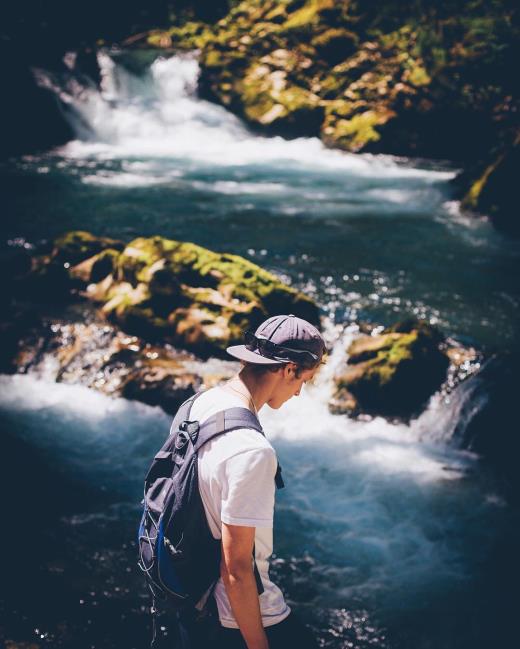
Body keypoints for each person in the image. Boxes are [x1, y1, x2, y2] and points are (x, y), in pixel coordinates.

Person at [188, 313, 326, 649]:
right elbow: (236, 570)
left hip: (194, 593)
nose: (297, 393)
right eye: (302, 381)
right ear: (288, 369)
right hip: (240, 615)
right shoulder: (252, 452)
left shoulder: (201, 403)